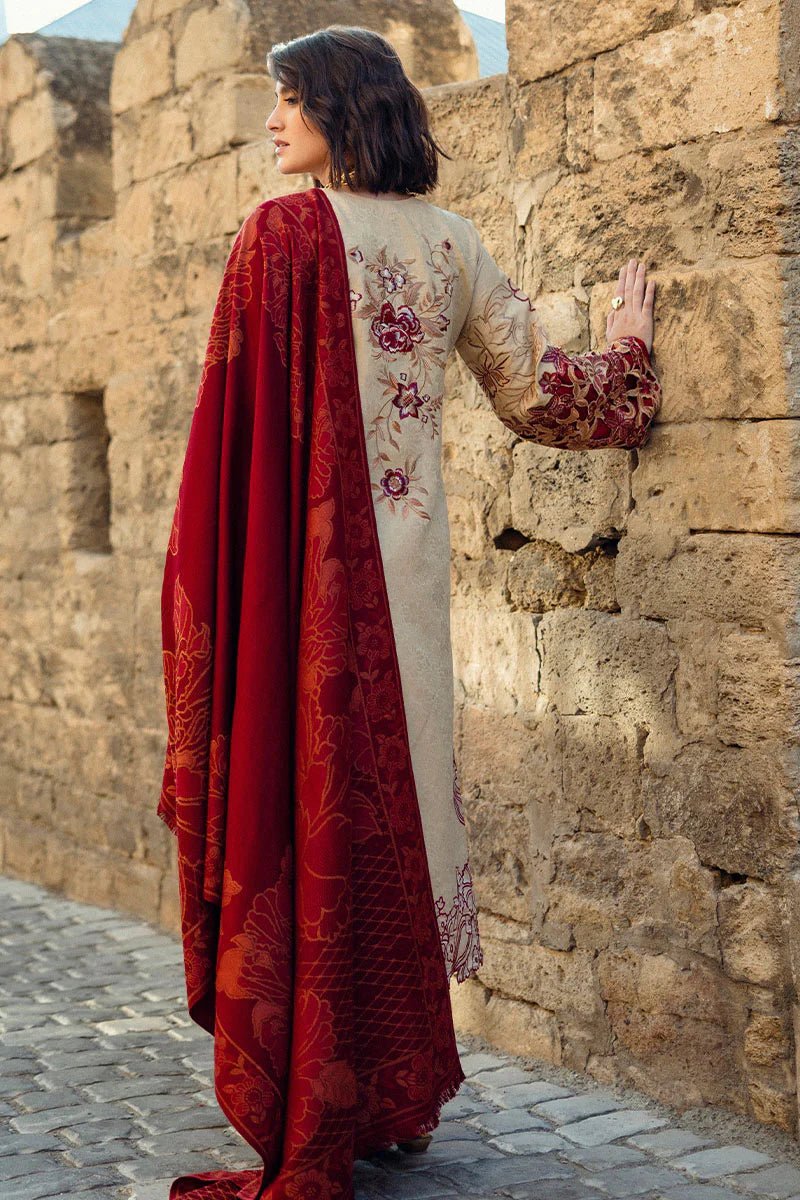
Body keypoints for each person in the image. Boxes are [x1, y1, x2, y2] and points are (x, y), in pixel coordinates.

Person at [158, 23, 662, 1200]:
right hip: (403, 590)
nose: (272, 121)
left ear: (344, 105)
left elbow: (226, 440)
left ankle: (324, 1092)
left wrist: (211, 577)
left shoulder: (280, 233)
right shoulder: (451, 246)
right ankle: (394, 1101)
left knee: (304, 807)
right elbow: (547, 398)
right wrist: (630, 347)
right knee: (395, 823)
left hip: (300, 591)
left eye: (290, 98)